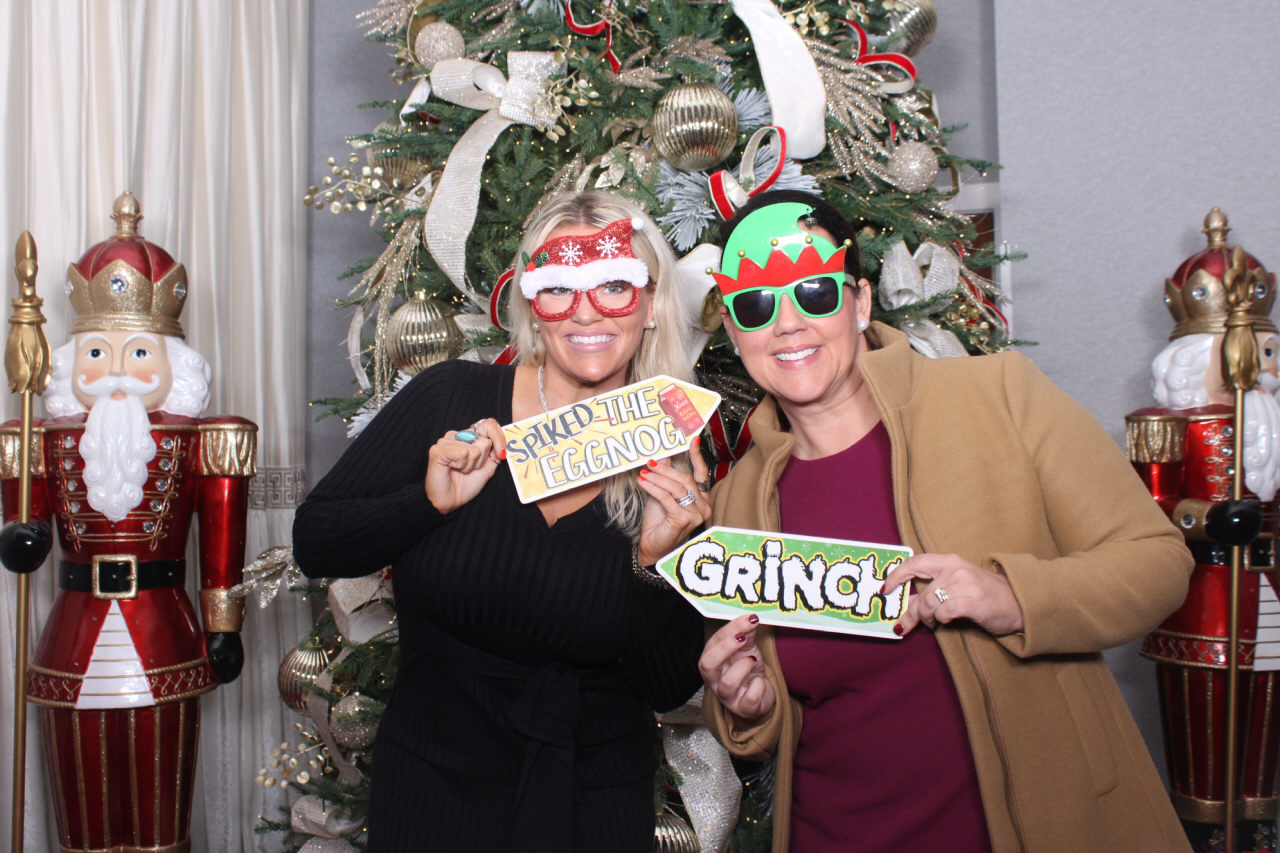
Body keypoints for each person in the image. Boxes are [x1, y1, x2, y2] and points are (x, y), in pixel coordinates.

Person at [696, 189, 1195, 852]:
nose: (787, 323)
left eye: (814, 292)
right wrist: (750, 707)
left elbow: (1157, 560)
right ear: (735, 333)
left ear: (860, 303)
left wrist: (1014, 596)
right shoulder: (738, 502)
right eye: (756, 305)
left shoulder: (1000, 395)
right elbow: (773, 703)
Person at [292, 190, 711, 852]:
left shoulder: (675, 452)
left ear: (652, 304)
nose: (586, 311)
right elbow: (315, 543)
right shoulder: (450, 398)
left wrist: (653, 565)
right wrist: (426, 504)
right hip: (432, 787)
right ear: (531, 304)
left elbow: (667, 683)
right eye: (559, 288)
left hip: (591, 799)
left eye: (613, 286)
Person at [0, 192, 256, 853]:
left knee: (158, 816)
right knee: (82, 816)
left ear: (173, 365)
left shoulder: (203, 438)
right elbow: (27, 521)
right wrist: (23, 536)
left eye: (138, 354)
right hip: (73, 633)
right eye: (99, 353)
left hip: (163, 629)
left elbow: (221, 541)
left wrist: (224, 626)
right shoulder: (38, 437)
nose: (116, 372)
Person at [1126, 208, 1280, 853]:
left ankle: (1260, 824)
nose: (1267, 366)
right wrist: (1206, 516)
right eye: (1254, 352)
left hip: (1270, 592)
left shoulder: (1272, 419)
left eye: (1271, 350)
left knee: (1266, 727)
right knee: (1205, 724)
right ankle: (1203, 828)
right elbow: (1147, 508)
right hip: (1205, 596)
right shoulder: (1166, 425)